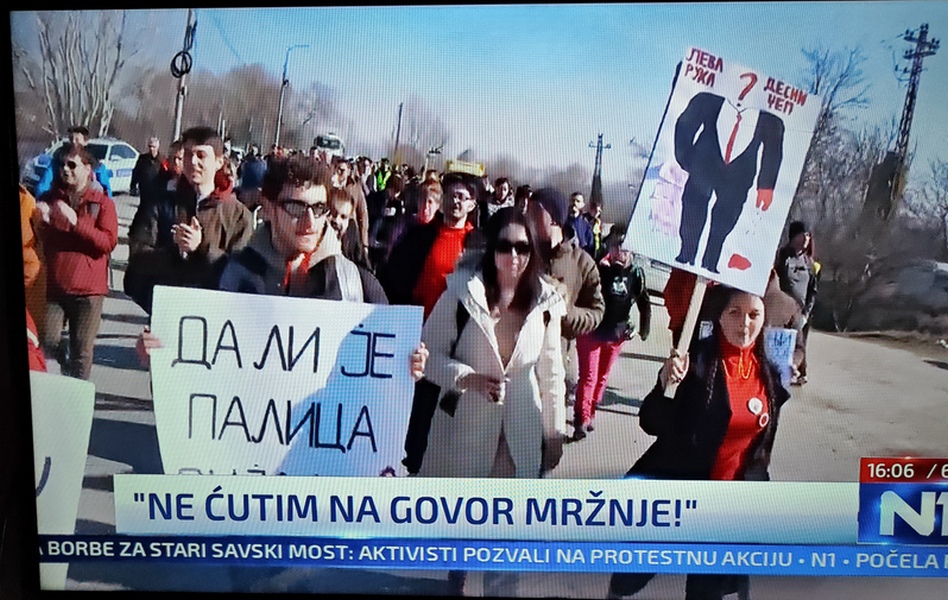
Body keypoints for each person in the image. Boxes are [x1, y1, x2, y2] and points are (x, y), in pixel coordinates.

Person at [607, 285, 790, 600]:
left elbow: (761, 450)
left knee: (706, 591)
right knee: (631, 576)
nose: (744, 324)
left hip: (728, 509)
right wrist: (666, 383)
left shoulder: (770, 375)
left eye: (754, 315)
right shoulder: (695, 362)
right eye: (734, 313)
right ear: (719, 316)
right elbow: (651, 422)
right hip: (681, 494)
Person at [380, 172, 485, 476]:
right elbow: (393, 277)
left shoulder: (478, 246)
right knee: (403, 405)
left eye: (462, 197)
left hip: (450, 342)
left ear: (472, 204)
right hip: (412, 334)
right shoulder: (419, 235)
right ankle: (393, 461)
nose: (455, 201)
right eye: (450, 194)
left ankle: (421, 466)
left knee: (433, 410)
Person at [673, 91, 784, 274]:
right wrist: (685, 156)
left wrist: (766, 185)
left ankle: (711, 262)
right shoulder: (708, 99)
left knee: (725, 218)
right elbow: (686, 124)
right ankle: (686, 254)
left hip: (739, 175)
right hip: (705, 163)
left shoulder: (770, 121)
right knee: (693, 206)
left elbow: (773, 150)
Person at [35, 143, 118, 380]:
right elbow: (39, 240)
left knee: (82, 350)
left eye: (72, 165)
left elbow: (108, 242)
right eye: (61, 165)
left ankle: (78, 399)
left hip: (88, 292)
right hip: (55, 287)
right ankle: (64, 363)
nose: (66, 170)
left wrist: (76, 223)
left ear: (87, 168)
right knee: (48, 341)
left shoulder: (102, 203)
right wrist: (39, 220)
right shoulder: (50, 198)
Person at [527, 188, 605, 406]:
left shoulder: (583, 264)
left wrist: (565, 311)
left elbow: (597, 313)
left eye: (535, 213)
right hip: (518, 369)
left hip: (555, 367)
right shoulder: (522, 253)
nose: (528, 219)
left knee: (548, 434)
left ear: (555, 220)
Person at [572, 229, 650, 440]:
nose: (620, 253)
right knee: (588, 377)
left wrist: (644, 328)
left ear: (632, 253)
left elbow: (644, 303)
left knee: (602, 377)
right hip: (592, 331)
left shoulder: (636, 274)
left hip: (616, 333)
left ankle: (592, 411)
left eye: (625, 249)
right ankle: (581, 419)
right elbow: (580, 293)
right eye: (616, 247)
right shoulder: (599, 269)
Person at [774, 221, 818, 385]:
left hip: (802, 313)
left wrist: (806, 313)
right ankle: (778, 371)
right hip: (782, 310)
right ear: (794, 236)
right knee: (780, 344)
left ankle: (799, 372)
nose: (806, 238)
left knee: (800, 345)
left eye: (808, 235)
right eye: (803, 234)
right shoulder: (782, 256)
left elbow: (813, 290)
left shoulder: (809, 263)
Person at [35, 125, 112, 198]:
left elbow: (106, 191)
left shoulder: (96, 165)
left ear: (86, 142)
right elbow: (43, 185)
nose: (74, 142)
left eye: (77, 139)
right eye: (71, 139)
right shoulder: (58, 162)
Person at [566, 192, 595, 257]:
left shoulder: (586, 225)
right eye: (573, 200)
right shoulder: (563, 222)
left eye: (578, 201)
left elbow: (590, 246)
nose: (575, 203)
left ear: (583, 204)